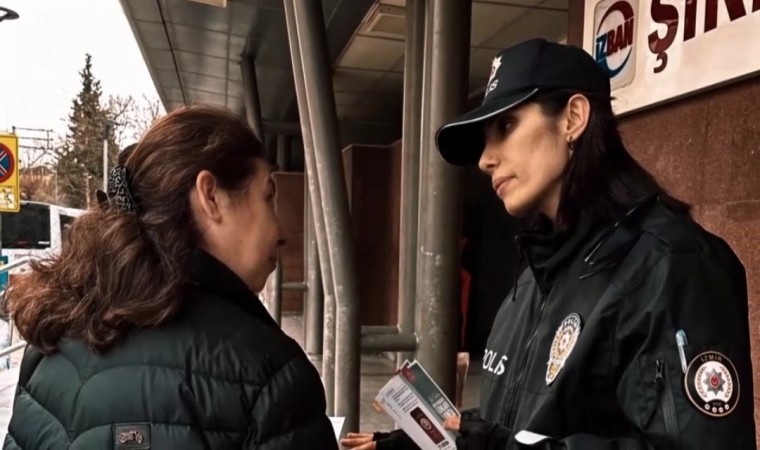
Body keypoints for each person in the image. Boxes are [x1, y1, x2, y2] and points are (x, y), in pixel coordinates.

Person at [342, 38, 756, 449]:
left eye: (506, 126)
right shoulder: (536, 273)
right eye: (485, 139)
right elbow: (515, 422)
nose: (485, 159)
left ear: (573, 118)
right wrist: (416, 441)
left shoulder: (674, 266)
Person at [3, 106, 338, 449]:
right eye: (267, 198)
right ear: (210, 196)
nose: (281, 232)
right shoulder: (271, 379)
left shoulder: (50, 337)